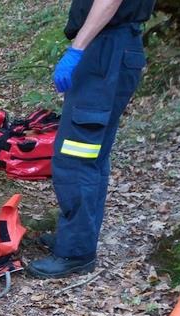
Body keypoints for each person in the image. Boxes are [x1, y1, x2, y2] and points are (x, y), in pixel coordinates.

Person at [28, 0, 155, 278]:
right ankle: (77, 239)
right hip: (112, 48)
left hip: (106, 50)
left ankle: (75, 253)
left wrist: (77, 49)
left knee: (76, 157)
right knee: (92, 156)